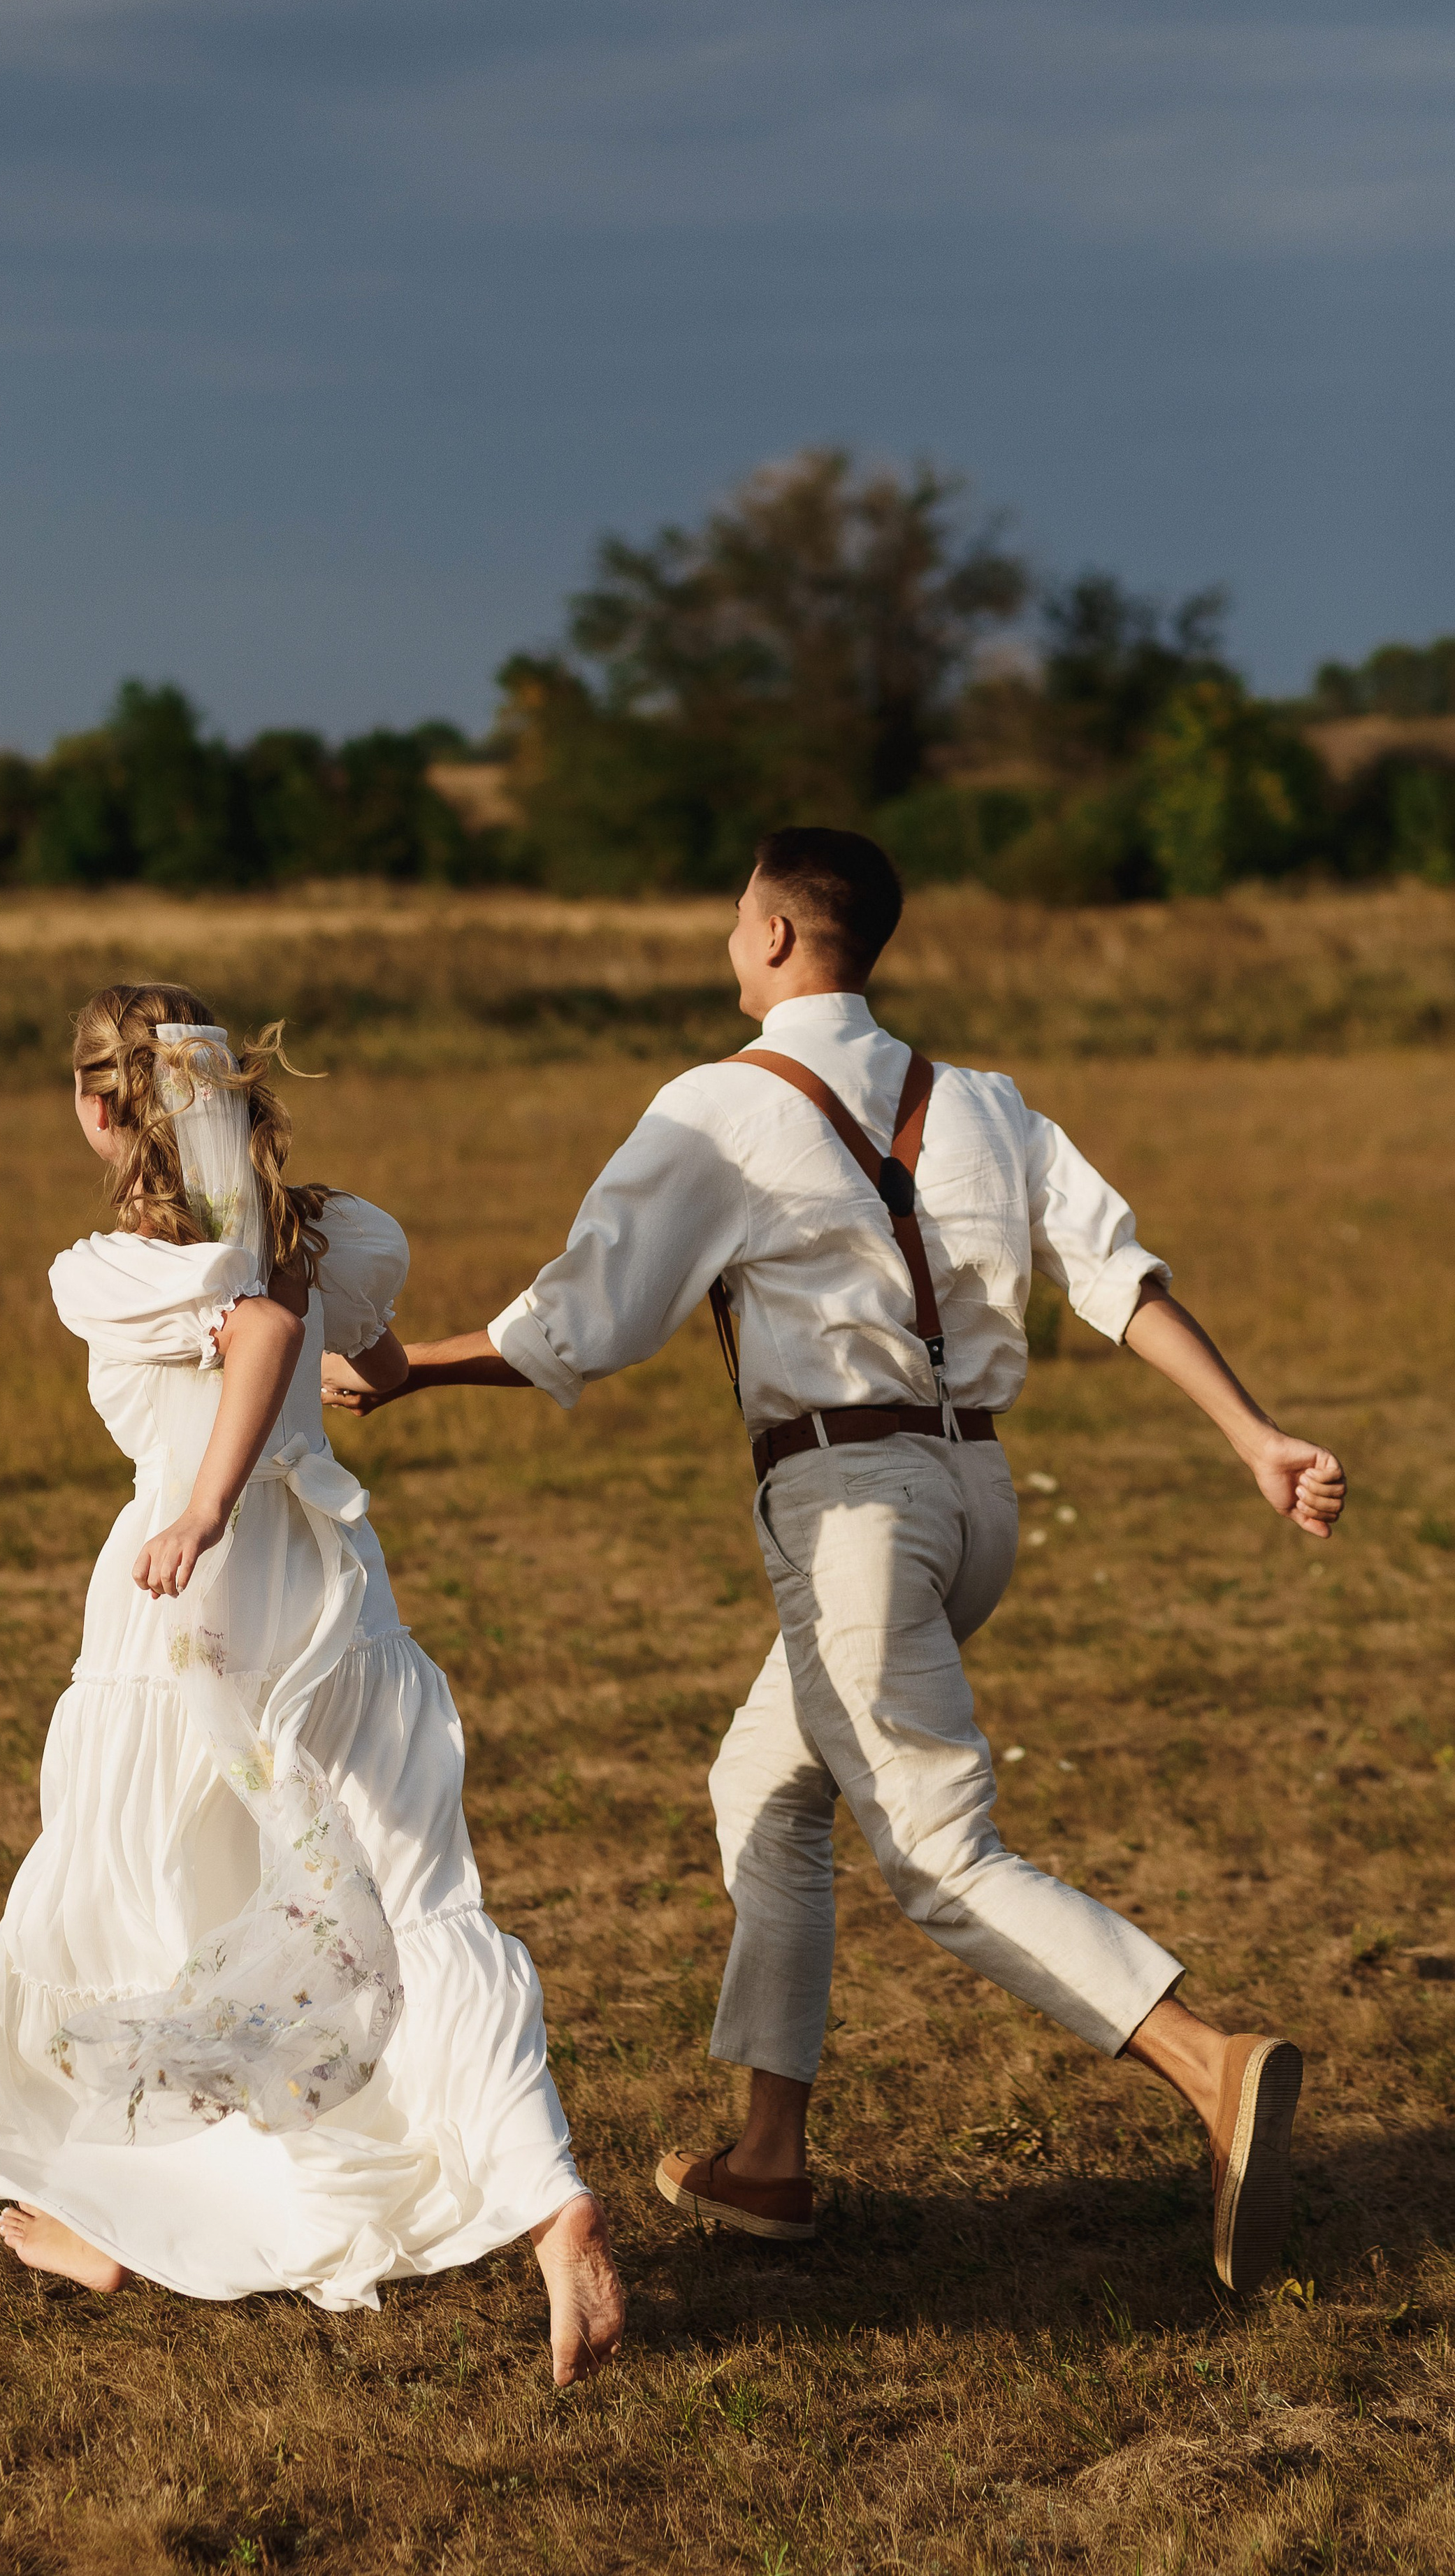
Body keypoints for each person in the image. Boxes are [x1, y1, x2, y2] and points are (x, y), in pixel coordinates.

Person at [322, 830, 1347, 2295]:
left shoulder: (718, 1108)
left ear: (782, 936)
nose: (727, 933)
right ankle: (766, 2159)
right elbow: (1119, 1272)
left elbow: (589, 1316)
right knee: (763, 1785)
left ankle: (1208, 2063)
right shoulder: (982, 1105)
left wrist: (410, 1370)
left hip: (854, 1512)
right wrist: (1250, 1434)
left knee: (938, 1855)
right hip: (972, 1500)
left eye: (737, 910)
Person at [0, 983, 623, 2385]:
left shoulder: (120, 1266)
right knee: (411, 1894)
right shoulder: (319, 1229)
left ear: (98, 1107)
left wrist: (202, 1507)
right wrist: (381, 1380)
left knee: (131, 1890)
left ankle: (96, 2206)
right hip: (328, 1594)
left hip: (188, 1604)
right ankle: (545, 2198)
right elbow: (321, 1332)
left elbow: (259, 1336)